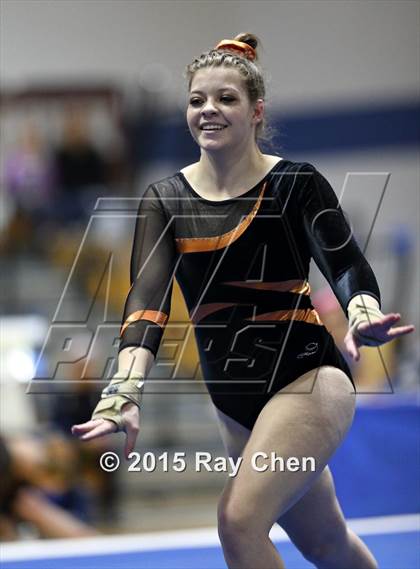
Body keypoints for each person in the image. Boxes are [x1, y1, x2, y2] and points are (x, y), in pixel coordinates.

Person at [72, 34, 415, 568]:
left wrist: (363, 313)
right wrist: (123, 394)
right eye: (196, 100)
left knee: (238, 522)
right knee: (325, 542)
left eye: (225, 98)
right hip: (234, 405)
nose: (208, 109)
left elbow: (344, 264)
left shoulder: (295, 184)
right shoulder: (165, 200)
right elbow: (146, 308)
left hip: (307, 381)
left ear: (256, 112)